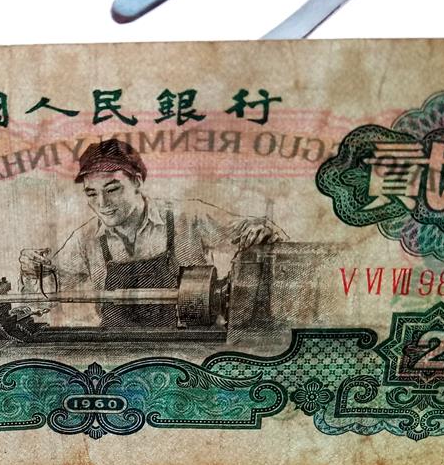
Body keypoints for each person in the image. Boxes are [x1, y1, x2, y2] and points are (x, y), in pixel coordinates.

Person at [19, 139, 284, 327]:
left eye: (112, 190)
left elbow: (256, 232)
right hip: (117, 350)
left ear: (137, 181)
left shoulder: (187, 218)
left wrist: (261, 232)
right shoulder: (85, 239)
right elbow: (43, 296)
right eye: (91, 194)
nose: (102, 204)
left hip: (190, 346)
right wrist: (34, 272)